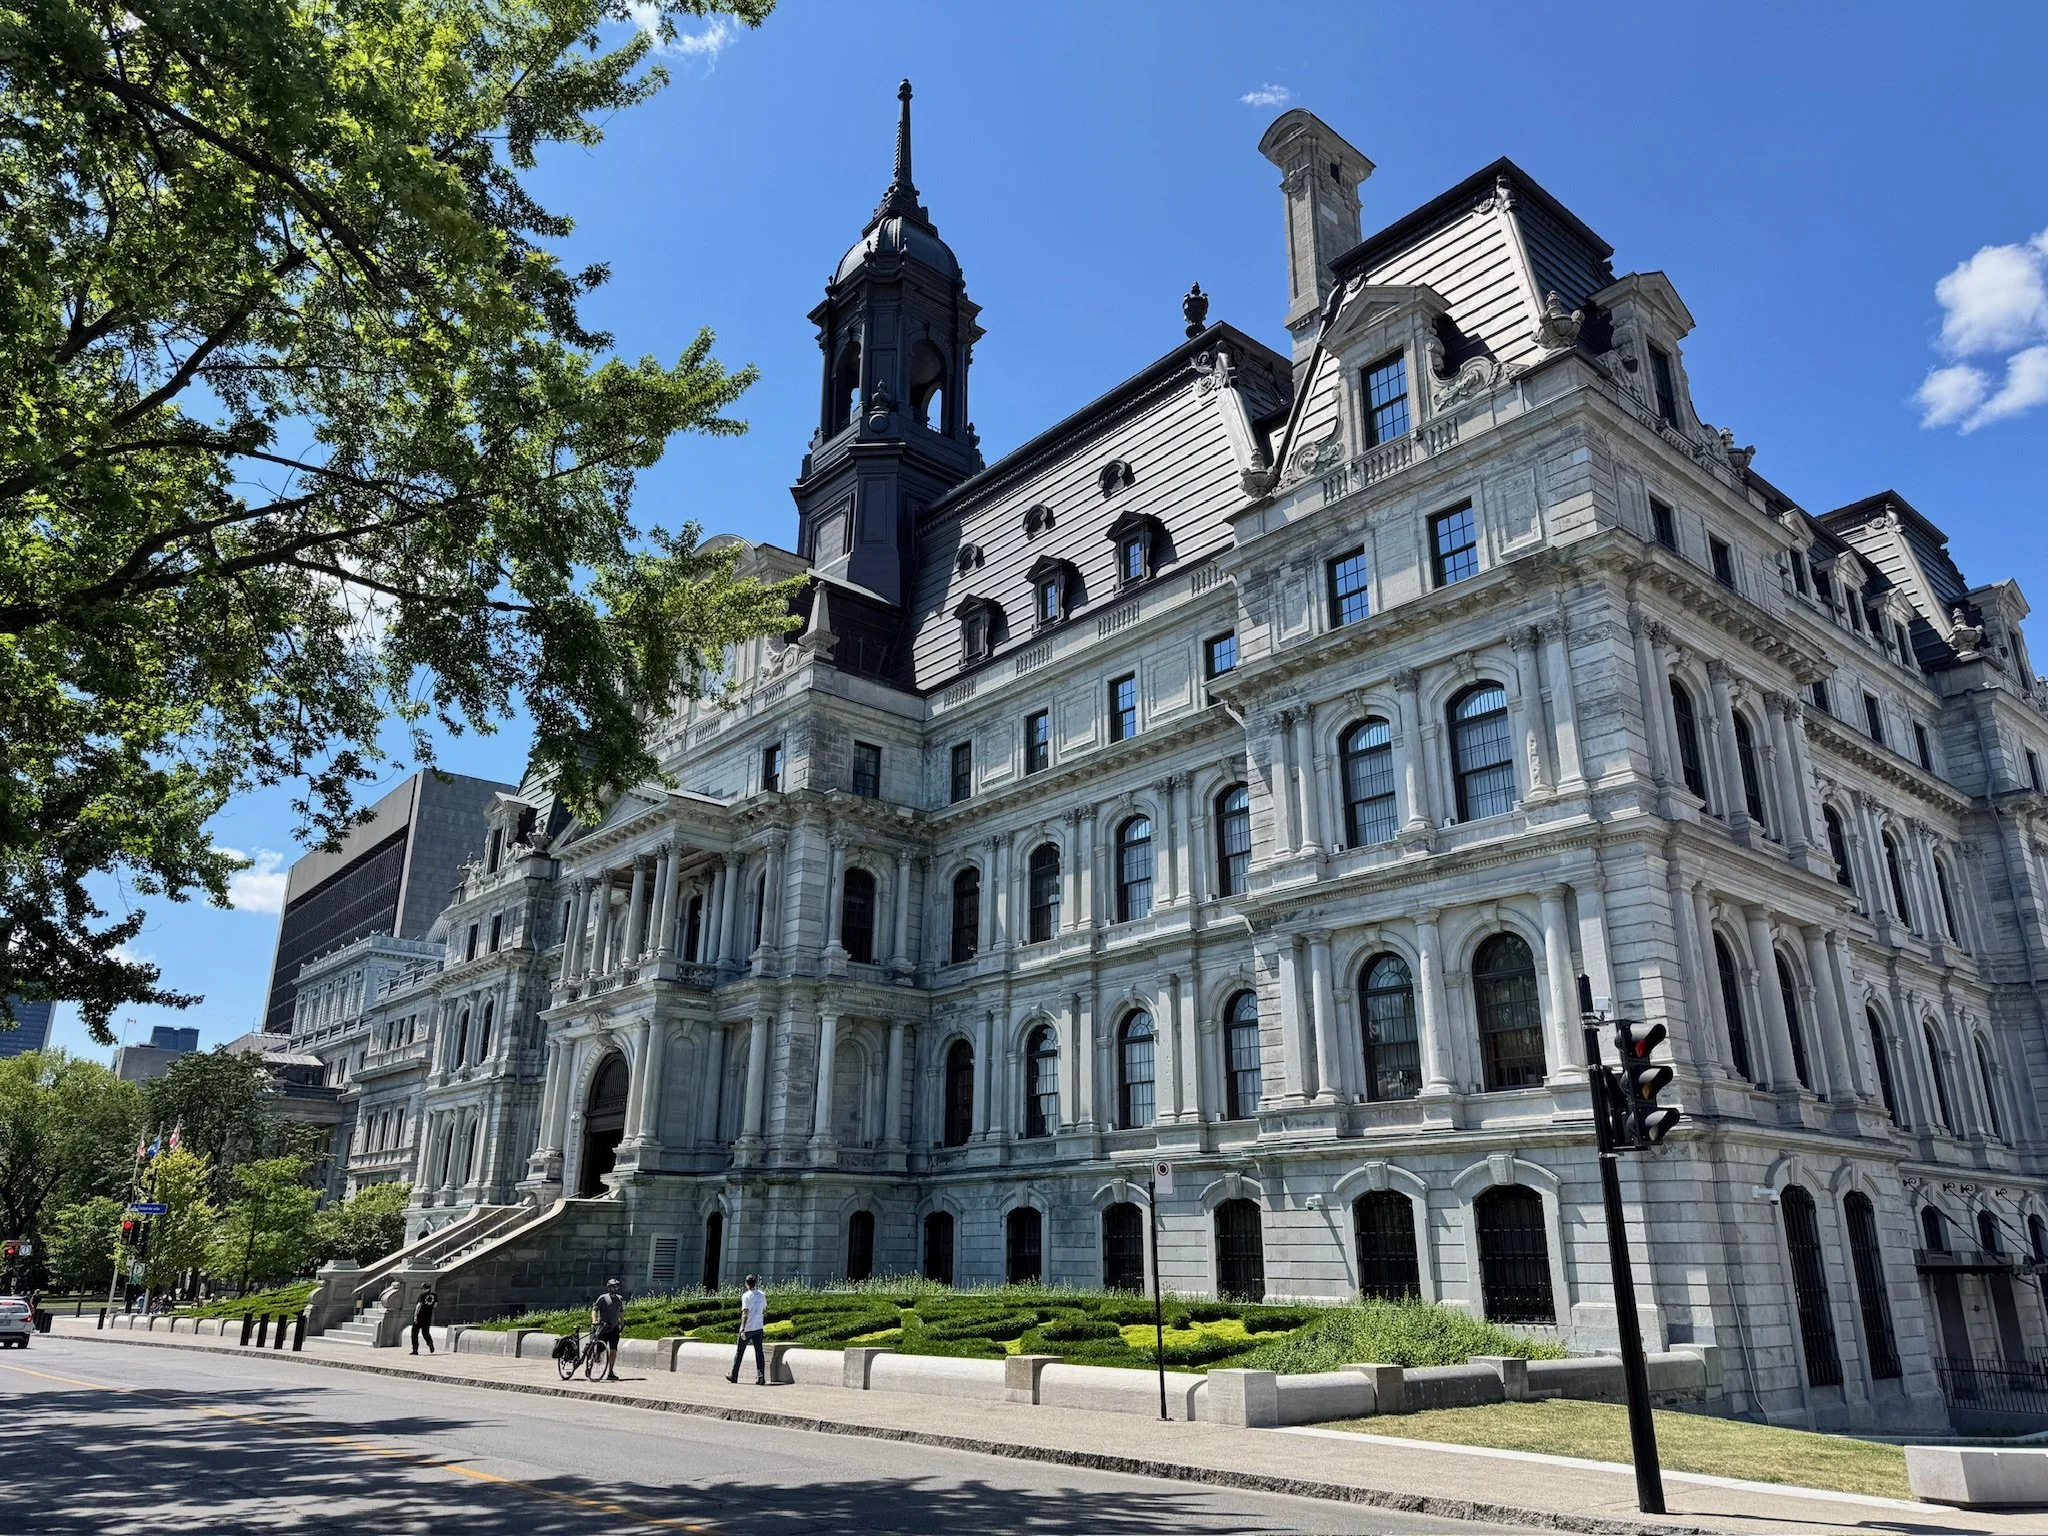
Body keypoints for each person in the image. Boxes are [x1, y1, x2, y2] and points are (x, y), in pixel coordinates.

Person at [727, 1275, 767, 1386]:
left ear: (746, 1284)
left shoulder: (746, 1296)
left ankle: (734, 1376)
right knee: (759, 1353)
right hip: (758, 1327)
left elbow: (745, 1313)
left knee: (740, 1352)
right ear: (756, 1283)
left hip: (748, 1328)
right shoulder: (762, 1294)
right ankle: (761, 1376)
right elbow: (763, 1308)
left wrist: (742, 1328)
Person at [590, 1278, 625, 1381]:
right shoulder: (603, 1298)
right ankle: (591, 1365)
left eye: (617, 1286)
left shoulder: (619, 1299)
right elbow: (594, 1309)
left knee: (613, 1349)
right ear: (609, 1288)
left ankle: (610, 1371)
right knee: (599, 1350)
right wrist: (594, 1320)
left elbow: (621, 1312)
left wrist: (622, 1323)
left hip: (614, 1328)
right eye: (614, 1286)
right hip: (604, 1328)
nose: (616, 1288)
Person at [411, 1285, 437, 1355]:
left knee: (414, 1333)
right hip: (428, 1316)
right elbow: (435, 1305)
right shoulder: (434, 1295)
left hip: (420, 1316)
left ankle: (415, 1349)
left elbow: (419, 1305)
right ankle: (430, 1343)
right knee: (425, 1332)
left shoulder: (423, 1295)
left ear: (424, 1288)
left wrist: (415, 1315)